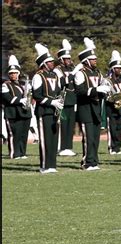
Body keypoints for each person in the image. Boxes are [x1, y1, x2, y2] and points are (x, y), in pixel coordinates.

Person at [74, 37, 110, 170]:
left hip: (96, 108)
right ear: (86, 61)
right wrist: (96, 89)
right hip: (85, 109)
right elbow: (80, 91)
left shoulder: (98, 73)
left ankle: (94, 161)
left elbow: (101, 88)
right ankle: (87, 162)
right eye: (93, 59)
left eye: (95, 59)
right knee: (88, 138)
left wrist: (105, 90)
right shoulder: (80, 74)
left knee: (95, 137)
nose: (95, 61)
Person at [32, 43, 63, 173]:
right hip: (44, 111)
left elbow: (59, 91)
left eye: (52, 61)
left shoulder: (55, 75)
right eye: (49, 62)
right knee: (45, 139)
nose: (52, 63)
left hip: (54, 112)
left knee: (54, 139)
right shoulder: (38, 76)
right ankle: (44, 166)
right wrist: (52, 102)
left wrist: (60, 100)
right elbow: (37, 96)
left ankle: (52, 165)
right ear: (44, 64)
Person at [1, 55, 32, 159]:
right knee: (14, 134)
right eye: (11, 73)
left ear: (18, 73)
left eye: (15, 73)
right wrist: (21, 100)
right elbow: (7, 98)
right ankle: (14, 153)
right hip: (13, 113)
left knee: (23, 134)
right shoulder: (5, 85)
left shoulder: (23, 84)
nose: (13, 75)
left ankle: (22, 153)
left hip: (25, 112)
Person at [54, 39, 77, 156]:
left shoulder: (72, 69)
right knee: (62, 123)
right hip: (62, 99)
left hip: (72, 99)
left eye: (69, 58)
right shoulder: (57, 70)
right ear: (61, 59)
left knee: (70, 124)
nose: (69, 60)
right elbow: (62, 82)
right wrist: (73, 74)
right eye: (66, 59)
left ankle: (68, 147)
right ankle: (61, 147)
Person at [105, 50, 121, 155]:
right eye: (118, 68)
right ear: (113, 69)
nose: (120, 70)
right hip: (111, 107)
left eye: (120, 68)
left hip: (120, 107)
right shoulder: (108, 80)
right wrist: (115, 97)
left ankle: (118, 147)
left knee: (119, 129)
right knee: (112, 128)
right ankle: (112, 147)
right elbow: (107, 95)